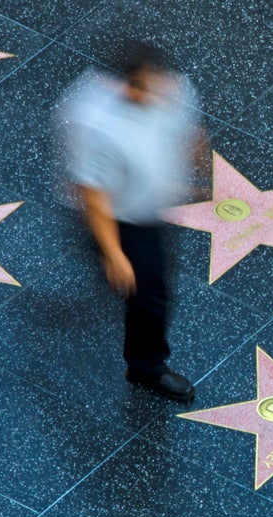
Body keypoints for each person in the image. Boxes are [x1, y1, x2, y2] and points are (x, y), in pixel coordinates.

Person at [62, 42, 205, 402]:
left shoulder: (176, 90)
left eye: (155, 84)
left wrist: (196, 165)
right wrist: (114, 253)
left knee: (143, 286)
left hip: (149, 205)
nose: (150, 94)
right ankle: (146, 367)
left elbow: (191, 133)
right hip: (123, 217)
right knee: (149, 296)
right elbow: (94, 195)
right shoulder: (96, 123)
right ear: (121, 84)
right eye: (140, 87)